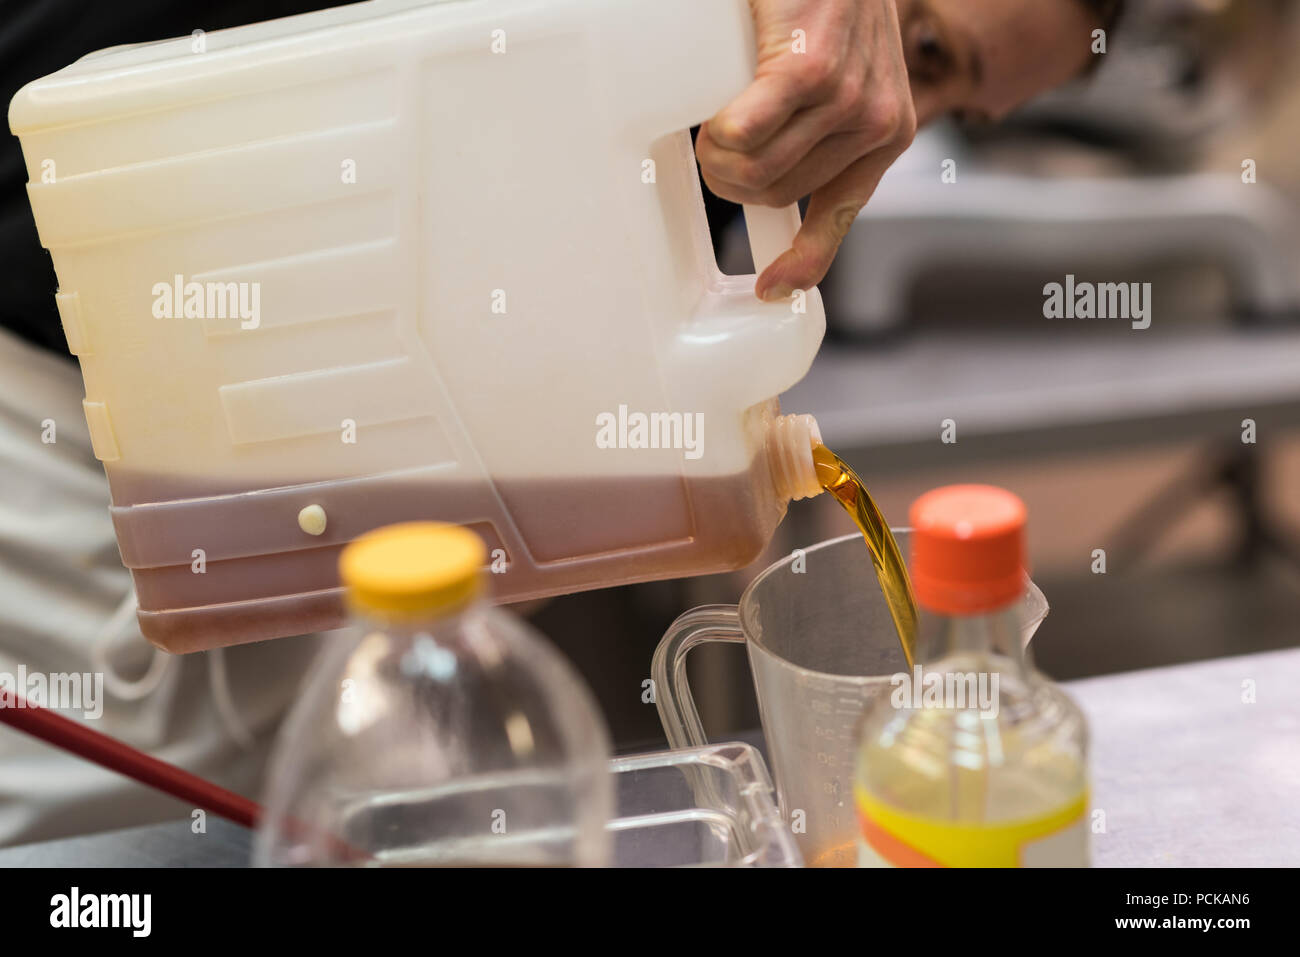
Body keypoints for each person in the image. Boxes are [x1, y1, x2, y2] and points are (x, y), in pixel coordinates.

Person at [0, 0, 1121, 847]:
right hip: (63, 439)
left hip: (334, 509)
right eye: (919, 46)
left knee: (320, 816)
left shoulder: (687, 119)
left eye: (947, 103)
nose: (892, 108)